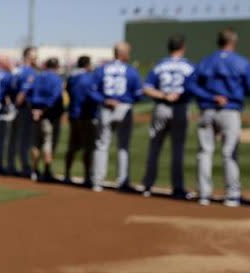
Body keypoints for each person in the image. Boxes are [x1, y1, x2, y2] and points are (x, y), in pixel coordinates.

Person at [188, 28, 250, 207]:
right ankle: (232, 196)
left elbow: (191, 85)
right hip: (230, 110)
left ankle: (204, 194)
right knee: (229, 153)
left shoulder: (206, 61)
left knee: (204, 152)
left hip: (207, 110)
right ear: (234, 42)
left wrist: (211, 96)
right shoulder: (241, 62)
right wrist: (232, 94)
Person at [140, 34, 196, 199]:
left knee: (154, 148)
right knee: (177, 150)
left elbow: (146, 88)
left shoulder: (160, 65)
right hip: (180, 108)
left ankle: (147, 186)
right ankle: (177, 188)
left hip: (161, 107)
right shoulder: (189, 66)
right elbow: (195, 87)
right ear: (183, 47)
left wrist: (164, 95)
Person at [89, 41, 143, 192]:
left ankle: (97, 181)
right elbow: (138, 94)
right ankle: (123, 181)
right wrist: (125, 101)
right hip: (124, 107)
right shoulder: (131, 71)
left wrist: (105, 100)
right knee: (123, 147)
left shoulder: (102, 69)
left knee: (101, 145)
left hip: (105, 107)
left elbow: (92, 91)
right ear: (123, 53)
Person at [28, 57, 64, 182]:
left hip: (35, 113)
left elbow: (29, 92)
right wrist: (43, 111)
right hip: (48, 115)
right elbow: (55, 97)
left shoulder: (37, 76)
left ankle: (34, 171)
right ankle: (47, 171)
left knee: (35, 143)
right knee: (47, 143)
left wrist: (34, 110)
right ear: (56, 66)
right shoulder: (56, 79)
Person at [64, 55, 97, 186]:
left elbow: (67, 90)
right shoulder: (89, 77)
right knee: (88, 148)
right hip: (86, 115)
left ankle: (67, 174)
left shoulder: (72, 76)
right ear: (87, 65)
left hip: (73, 115)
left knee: (72, 146)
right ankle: (87, 176)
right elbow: (91, 95)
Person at [9, 47, 38, 176]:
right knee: (24, 139)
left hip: (12, 108)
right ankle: (25, 166)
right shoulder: (29, 72)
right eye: (34, 56)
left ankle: (10, 165)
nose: (36, 58)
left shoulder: (15, 70)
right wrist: (15, 106)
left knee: (13, 139)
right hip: (22, 109)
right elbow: (22, 93)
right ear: (28, 57)